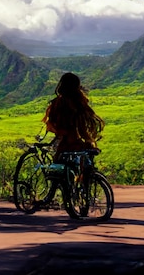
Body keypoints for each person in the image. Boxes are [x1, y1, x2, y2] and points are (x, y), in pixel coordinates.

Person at [36, 72, 105, 209]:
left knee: (57, 167)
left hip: (66, 143)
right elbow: (89, 121)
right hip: (81, 142)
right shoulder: (80, 102)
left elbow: (54, 125)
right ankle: (85, 195)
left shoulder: (57, 104)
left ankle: (50, 196)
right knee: (86, 166)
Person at [42, 72, 105, 162]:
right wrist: (89, 140)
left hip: (62, 144)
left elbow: (52, 125)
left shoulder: (56, 103)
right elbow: (81, 127)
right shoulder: (77, 103)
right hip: (73, 143)